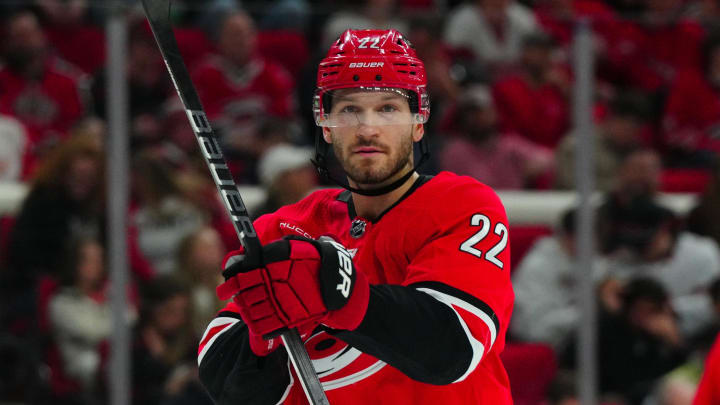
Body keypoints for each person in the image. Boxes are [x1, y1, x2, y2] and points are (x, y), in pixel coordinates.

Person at [197, 29, 514, 404]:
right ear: (325, 123)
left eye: (388, 108)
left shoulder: (461, 205)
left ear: (419, 120)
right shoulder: (283, 228)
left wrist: (341, 295)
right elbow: (225, 385)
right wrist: (261, 331)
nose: (367, 128)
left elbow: (452, 351)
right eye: (349, 109)